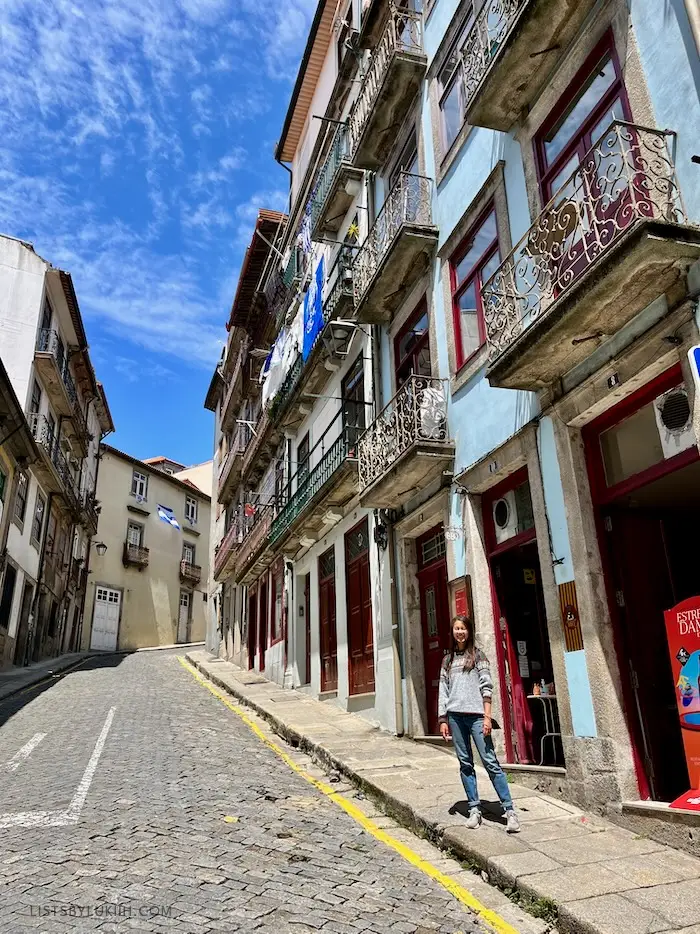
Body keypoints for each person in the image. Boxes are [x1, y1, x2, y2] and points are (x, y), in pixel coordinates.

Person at [438, 615, 520, 833]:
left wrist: (486, 716)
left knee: (489, 761)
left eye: (463, 628)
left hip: (476, 716)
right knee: (465, 763)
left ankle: (509, 811)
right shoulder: (447, 660)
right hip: (455, 717)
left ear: (469, 631)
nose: (460, 632)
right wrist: (443, 719)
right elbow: (443, 691)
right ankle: (474, 808)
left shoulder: (478, 656)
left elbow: (487, 686)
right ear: (452, 632)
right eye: (456, 628)